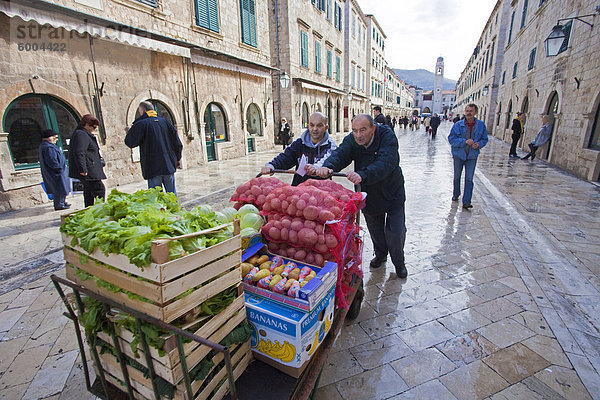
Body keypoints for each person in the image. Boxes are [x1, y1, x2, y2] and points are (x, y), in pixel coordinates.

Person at [307, 114, 407, 279]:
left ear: (373, 128)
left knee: (395, 231)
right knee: (375, 229)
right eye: (355, 130)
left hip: (392, 192)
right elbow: (341, 154)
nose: (358, 135)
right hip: (369, 193)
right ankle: (381, 255)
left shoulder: (387, 136)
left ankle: (399, 262)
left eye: (363, 130)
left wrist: (363, 174)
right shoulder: (352, 140)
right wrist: (328, 167)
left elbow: (388, 162)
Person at [260, 112, 337, 186]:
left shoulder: (331, 146)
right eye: (312, 125)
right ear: (308, 126)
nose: (315, 129)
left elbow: (328, 161)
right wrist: (271, 165)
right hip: (299, 191)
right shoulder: (299, 143)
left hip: (322, 191)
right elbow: (285, 156)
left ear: (326, 128)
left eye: (319, 126)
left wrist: (316, 168)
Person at [125, 101, 183, 195]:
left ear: (142, 110)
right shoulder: (166, 122)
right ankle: (174, 210)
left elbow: (130, 142)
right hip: (168, 164)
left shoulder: (141, 124)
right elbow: (177, 144)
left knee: (156, 198)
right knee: (172, 195)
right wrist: (177, 158)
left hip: (152, 166)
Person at [448, 103, 488, 210]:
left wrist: (479, 144)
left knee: (469, 178)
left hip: (472, 156)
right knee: (457, 177)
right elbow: (451, 139)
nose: (469, 113)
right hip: (459, 155)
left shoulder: (481, 125)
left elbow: (484, 139)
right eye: (467, 111)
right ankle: (456, 194)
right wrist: (464, 141)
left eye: (471, 111)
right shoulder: (458, 125)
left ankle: (466, 201)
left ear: (475, 112)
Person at [68, 114, 106, 207]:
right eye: (93, 127)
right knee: (99, 189)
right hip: (89, 169)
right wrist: (83, 169)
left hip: (90, 167)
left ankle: (90, 210)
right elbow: (79, 152)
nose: (94, 129)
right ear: (86, 124)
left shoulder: (82, 133)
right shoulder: (81, 134)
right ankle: (99, 210)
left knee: (89, 192)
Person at [39, 129, 71, 210]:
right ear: (49, 137)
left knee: (61, 188)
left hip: (57, 171)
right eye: (55, 137)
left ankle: (62, 202)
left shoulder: (47, 146)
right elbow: (52, 160)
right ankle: (59, 204)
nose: (56, 139)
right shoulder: (48, 147)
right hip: (56, 172)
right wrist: (58, 168)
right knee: (59, 188)